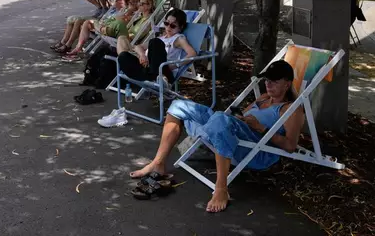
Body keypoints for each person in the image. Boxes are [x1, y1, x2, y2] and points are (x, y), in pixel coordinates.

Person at [128, 60, 301, 212]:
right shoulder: (263, 98)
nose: (268, 84)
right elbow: (239, 119)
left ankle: (221, 188)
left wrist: (260, 127)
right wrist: (241, 119)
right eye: (267, 80)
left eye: (274, 81)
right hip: (232, 133)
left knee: (219, 118)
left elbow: (290, 146)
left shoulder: (291, 109)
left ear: (287, 84)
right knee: (179, 105)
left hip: (255, 150)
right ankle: (158, 163)